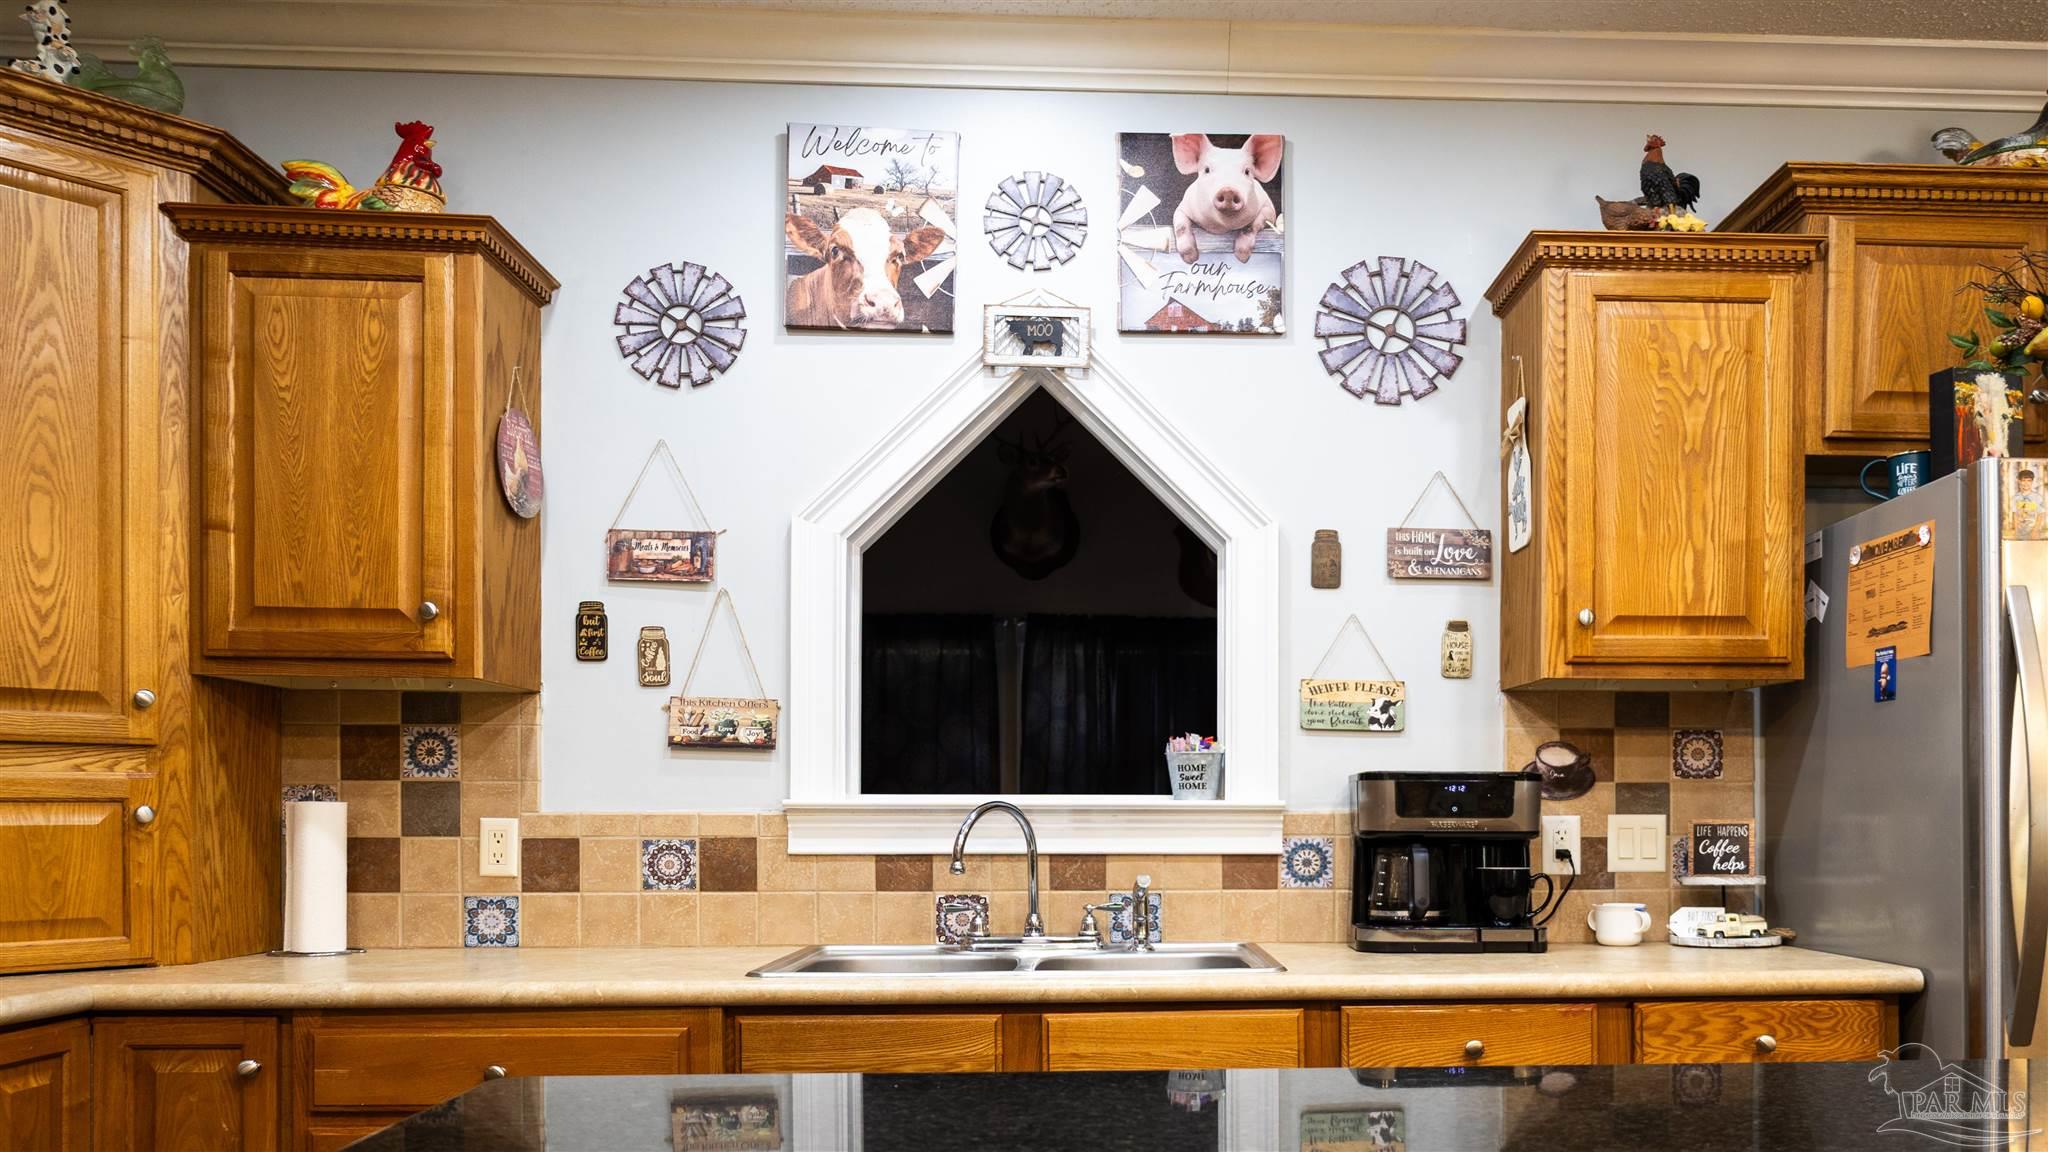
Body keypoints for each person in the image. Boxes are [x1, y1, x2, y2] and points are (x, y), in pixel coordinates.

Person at [2012, 466, 2047, 540]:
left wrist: (2035, 530)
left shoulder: (2037, 497)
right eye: (2023, 480)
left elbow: (2041, 514)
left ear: (2032, 481)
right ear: (2019, 481)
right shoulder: (2016, 497)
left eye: (2029, 480)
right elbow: (2015, 514)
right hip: (2020, 532)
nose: (2026, 483)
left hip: (2033, 532)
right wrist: (2016, 530)